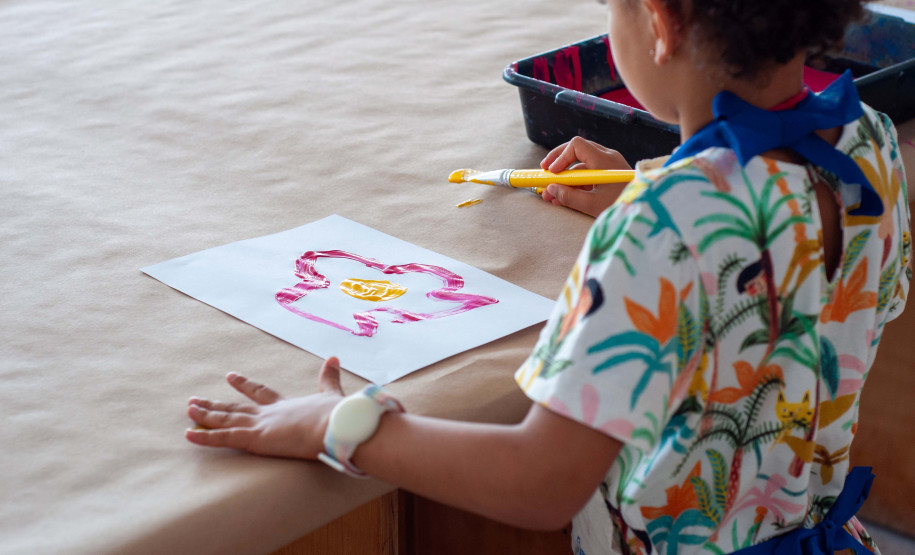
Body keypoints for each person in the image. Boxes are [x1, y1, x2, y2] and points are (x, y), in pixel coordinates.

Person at [185, 0, 911, 553]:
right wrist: (647, 187)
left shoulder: (660, 227)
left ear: (659, 21)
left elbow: (538, 481)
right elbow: (798, 285)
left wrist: (340, 426)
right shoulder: (867, 144)